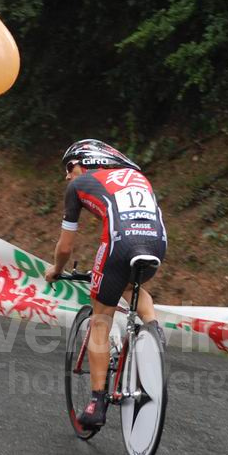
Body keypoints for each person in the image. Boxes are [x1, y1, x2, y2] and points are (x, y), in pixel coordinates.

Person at [45, 139, 168, 428]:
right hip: (157, 244)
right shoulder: (139, 177)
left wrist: (56, 269)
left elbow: (65, 248)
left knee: (100, 318)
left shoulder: (80, 184)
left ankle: (97, 403)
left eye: (70, 166)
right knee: (131, 287)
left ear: (87, 162)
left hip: (120, 245)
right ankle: (154, 337)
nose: (67, 174)